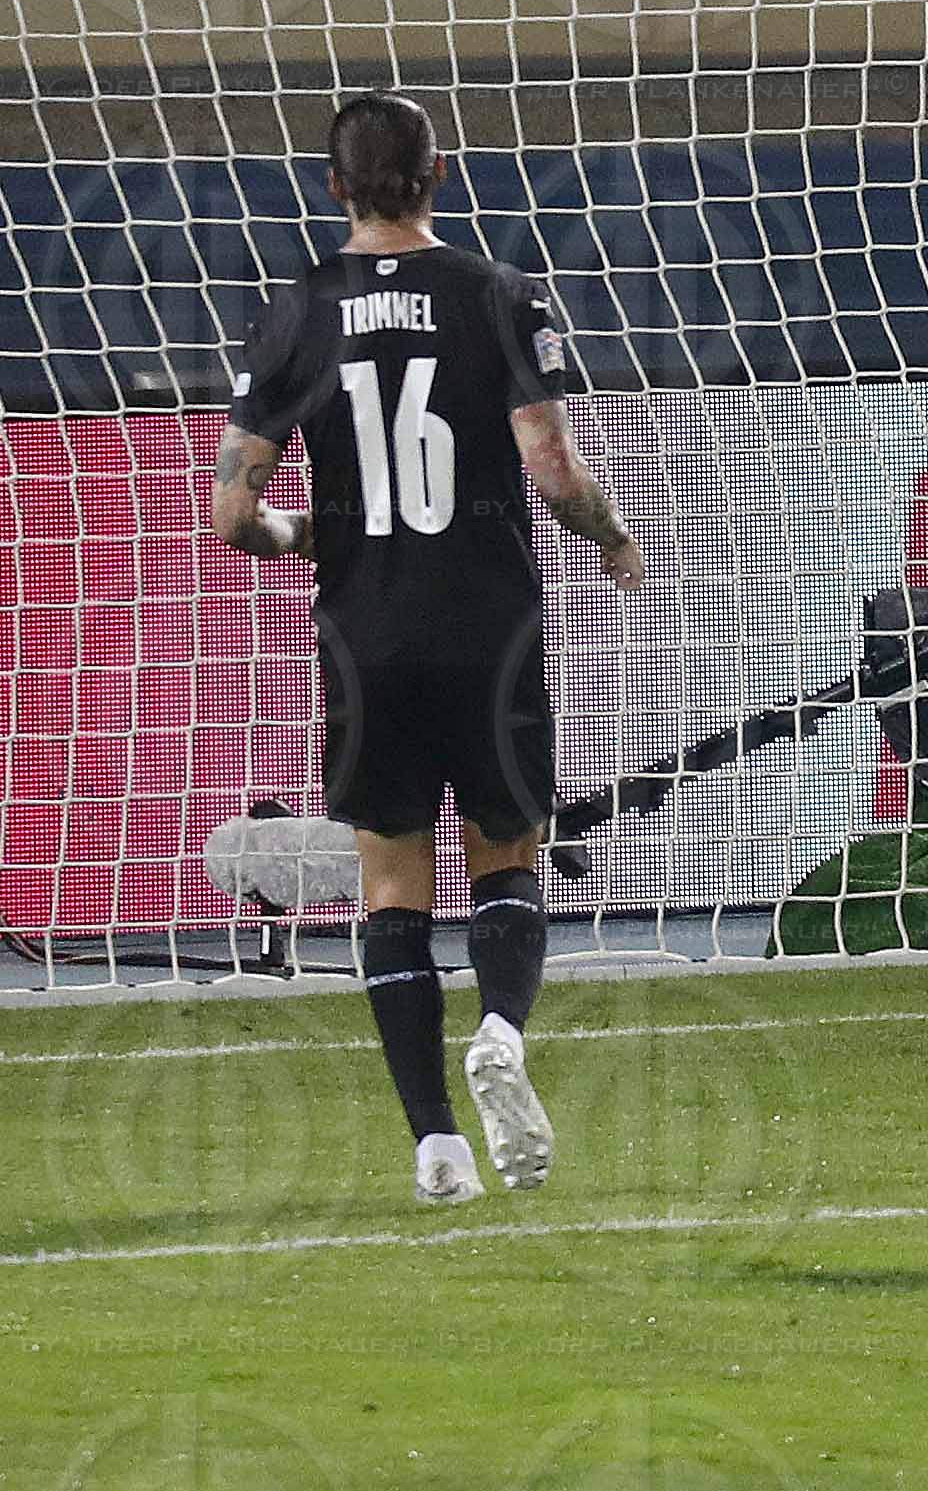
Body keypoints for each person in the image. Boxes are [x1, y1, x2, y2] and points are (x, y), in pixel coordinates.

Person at [208, 92, 643, 1205]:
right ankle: (500, 1025)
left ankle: (436, 1147)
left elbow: (230, 515)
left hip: (367, 626)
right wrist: (611, 536)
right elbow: (551, 471)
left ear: (333, 186)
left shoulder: (296, 310)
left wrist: (298, 530)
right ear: (439, 175)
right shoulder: (497, 294)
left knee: (390, 879)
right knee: (509, 851)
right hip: (487, 618)